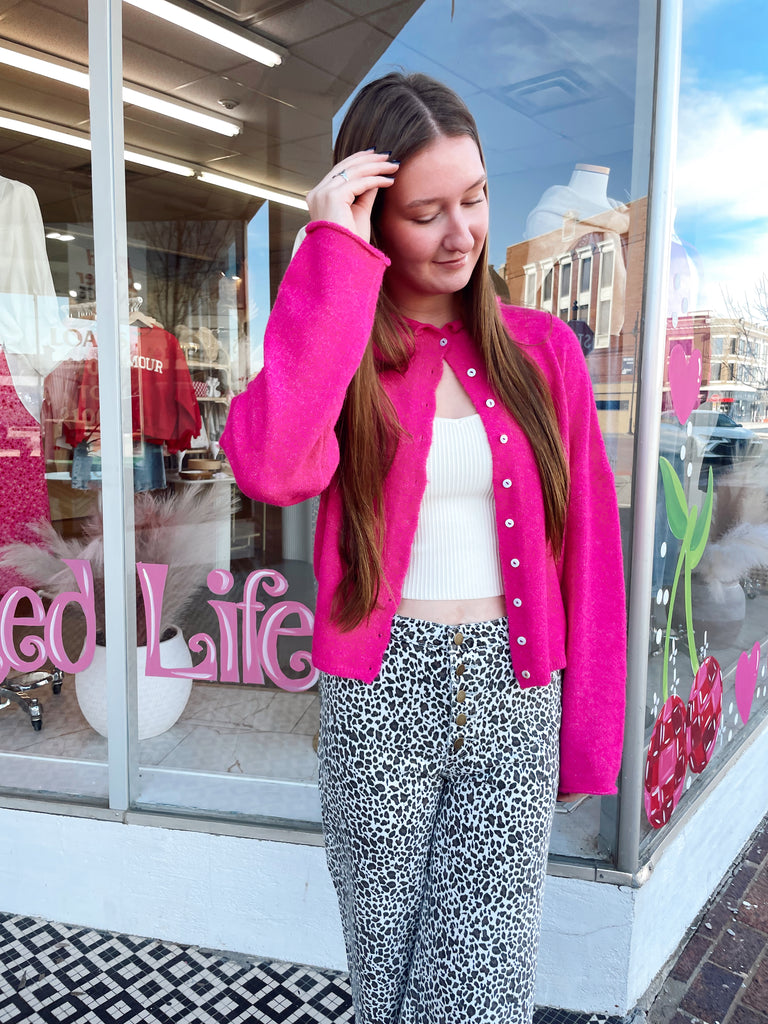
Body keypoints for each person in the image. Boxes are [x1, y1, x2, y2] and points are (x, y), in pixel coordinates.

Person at [221, 72, 626, 1024]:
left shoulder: (543, 351)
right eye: (424, 212)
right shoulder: (342, 350)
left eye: (474, 199)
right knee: (387, 975)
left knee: (482, 986)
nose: (460, 234)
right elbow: (272, 467)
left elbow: (591, 553)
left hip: (513, 690)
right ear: (375, 217)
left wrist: (589, 734)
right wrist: (331, 254)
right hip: (380, 693)